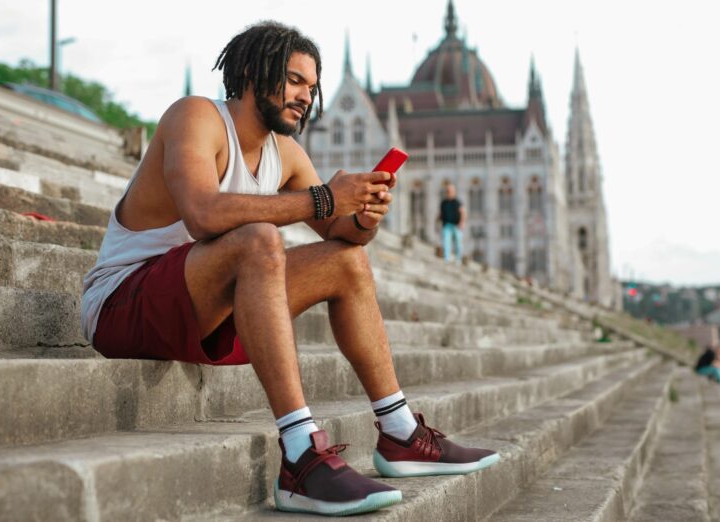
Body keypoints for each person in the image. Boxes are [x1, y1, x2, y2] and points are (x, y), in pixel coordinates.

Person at [80, 21, 498, 516]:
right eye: (295, 80)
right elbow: (204, 214)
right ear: (255, 73)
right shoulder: (196, 116)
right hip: (123, 304)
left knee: (347, 262)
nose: (306, 95)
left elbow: (340, 235)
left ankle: (400, 431)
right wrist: (323, 198)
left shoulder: (287, 154)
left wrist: (363, 216)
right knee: (258, 239)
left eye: (313, 86)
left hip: (200, 312)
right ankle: (300, 453)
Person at [438, 183, 465, 264]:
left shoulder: (457, 202)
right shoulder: (443, 203)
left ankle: (458, 260)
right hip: (446, 225)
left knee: (458, 244)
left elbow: (463, 212)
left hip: (456, 226)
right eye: (448, 191)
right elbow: (440, 214)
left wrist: (462, 222)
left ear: (454, 192)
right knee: (446, 242)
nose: (449, 193)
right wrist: (436, 223)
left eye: (450, 191)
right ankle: (447, 259)